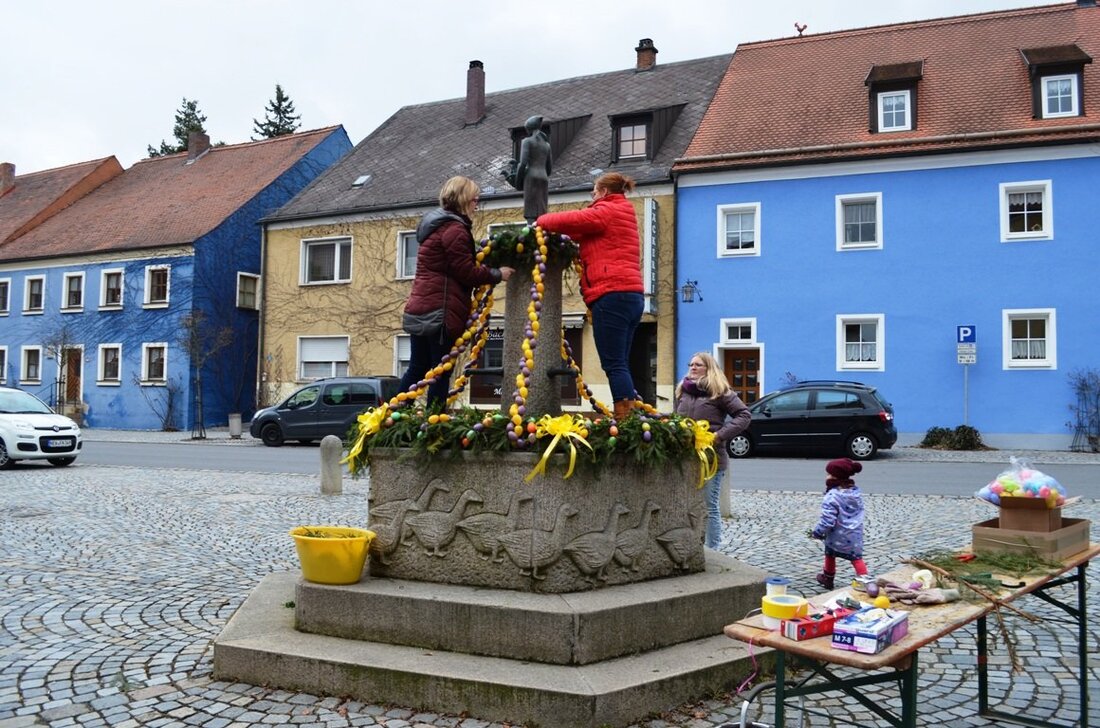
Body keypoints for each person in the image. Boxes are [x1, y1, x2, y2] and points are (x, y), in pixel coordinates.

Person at [535, 172, 643, 422]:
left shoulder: (607, 210)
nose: (592, 196)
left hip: (610, 294)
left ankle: (625, 419)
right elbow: (583, 233)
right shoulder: (623, 212)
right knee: (621, 362)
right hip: (631, 295)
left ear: (604, 191)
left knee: (614, 363)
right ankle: (629, 414)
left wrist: (540, 220)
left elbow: (573, 219)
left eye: (594, 191)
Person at [399, 176, 514, 409]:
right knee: (440, 369)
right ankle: (434, 424)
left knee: (417, 367)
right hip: (440, 312)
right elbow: (465, 271)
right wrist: (496, 274)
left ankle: (391, 418)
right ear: (463, 200)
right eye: (474, 199)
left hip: (420, 306)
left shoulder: (435, 226)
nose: (476, 205)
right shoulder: (455, 229)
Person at [673, 352, 751, 549]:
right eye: (691, 364)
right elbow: (676, 418)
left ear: (709, 368)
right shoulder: (683, 389)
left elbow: (744, 415)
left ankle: (713, 549)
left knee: (709, 506)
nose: (693, 367)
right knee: (687, 505)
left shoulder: (720, 391)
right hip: (686, 458)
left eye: (698, 365)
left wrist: (719, 436)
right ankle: (691, 547)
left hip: (712, 458)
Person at [811, 458, 869, 589]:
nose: (826, 476)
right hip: (854, 535)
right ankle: (865, 581)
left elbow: (828, 520)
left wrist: (818, 532)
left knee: (830, 554)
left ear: (834, 477)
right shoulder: (855, 493)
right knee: (856, 558)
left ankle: (828, 578)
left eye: (829, 474)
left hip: (836, 535)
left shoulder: (832, 496)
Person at [510, 115, 552, 223]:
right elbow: (549, 169)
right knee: (542, 211)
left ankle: (531, 234)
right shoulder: (547, 145)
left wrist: (518, 181)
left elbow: (522, 163)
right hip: (543, 178)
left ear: (529, 128)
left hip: (531, 177)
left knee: (531, 213)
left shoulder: (527, 141)